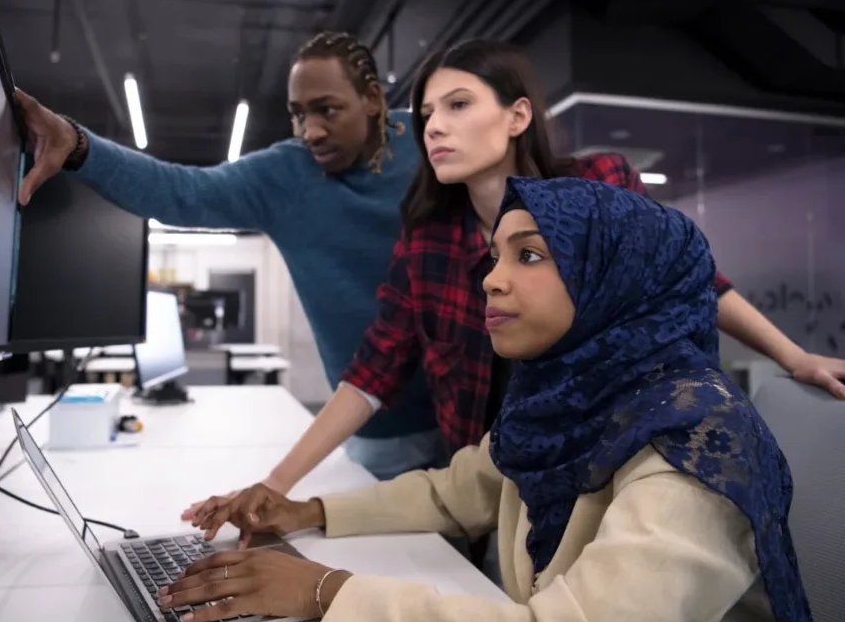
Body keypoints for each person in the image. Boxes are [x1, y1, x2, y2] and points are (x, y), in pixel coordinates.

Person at [184, 38, 845, 517]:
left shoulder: (598, 187)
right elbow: (371, 373)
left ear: (518, 115)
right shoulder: (428, 242)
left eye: (459, 104)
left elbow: (696, 280)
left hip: (613, 475)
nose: (435, 125)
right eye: (428, 111)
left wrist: (794, 355)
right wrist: (276, 483)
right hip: (495, 483)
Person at [156, 176, 821, 622]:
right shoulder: (568, 398)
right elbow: (456, 492)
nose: (490, 278)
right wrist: (305, 513)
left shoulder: (694, 452)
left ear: (610, 279)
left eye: (528, 254)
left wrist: (323, 590)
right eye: (495, 255)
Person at [15, 31, 444, 482]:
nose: (311, 131)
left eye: (327, 110)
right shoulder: (285, 175)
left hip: (473, 412)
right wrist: (79, 145)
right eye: (298, 115)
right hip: (378, 431)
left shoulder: (431, 147)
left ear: (372, 98)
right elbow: (181, 191)